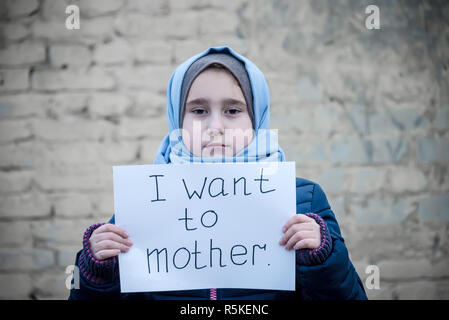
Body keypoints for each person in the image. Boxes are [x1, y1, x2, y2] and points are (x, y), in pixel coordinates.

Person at [69, 46, 367, 300]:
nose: (215, 127)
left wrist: (322, 258)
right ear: (177, 120)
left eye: (233, 111)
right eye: (198, 111)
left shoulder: (303, 200)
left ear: (256, 119)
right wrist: (97, 270)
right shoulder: (142, 202)